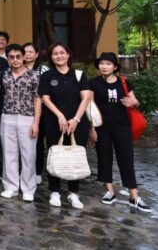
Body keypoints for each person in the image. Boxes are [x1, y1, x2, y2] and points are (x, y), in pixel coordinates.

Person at [89, 52, 151, 212]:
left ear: (115, 67)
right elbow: (90, 107)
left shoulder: (124, 82)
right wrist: (92, 128)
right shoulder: (93, 83)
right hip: (102, 127)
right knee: (104, 157)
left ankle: (133, 196)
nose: (104, 66)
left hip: (122, 126)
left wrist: (133, 102)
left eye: (108, 64)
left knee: (126, 158)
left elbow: (135, 102)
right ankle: (109, 192)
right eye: (102, 63)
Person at [38, 42, 90, 209]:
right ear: (51, 57)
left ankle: (73, 193)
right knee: (55, 153)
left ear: (68, 55)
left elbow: (86, 98)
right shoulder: (47, 76)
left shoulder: (79, 75)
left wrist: (76, 119)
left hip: (77, 123)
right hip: (54, 122)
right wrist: (60, 115)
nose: (59, 56)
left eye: (62, 53)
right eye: (55, 53)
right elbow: (45, 98)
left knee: (75, 155)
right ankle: (54, 191)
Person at [0, 44, 41, 202]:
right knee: (9, 153)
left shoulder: (34, 75)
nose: (15, 60)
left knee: (28, 154)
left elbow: (37, 99)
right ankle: (11, 187)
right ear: (8, 58)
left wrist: (36, 122)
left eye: (18, 56)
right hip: (7, 116)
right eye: (11, 57)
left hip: (27, 117)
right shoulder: (4, 74)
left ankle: (28, 189)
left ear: (24, 57)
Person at [25, 42, 49, 185]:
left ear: (36, 54)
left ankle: (38, 171)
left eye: (30, 52)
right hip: (24, 110)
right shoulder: (17, 67)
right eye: (25, 52)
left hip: (41, 109)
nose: (27, 54)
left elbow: (47, 88)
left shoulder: (42, 69)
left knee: (38, 141)